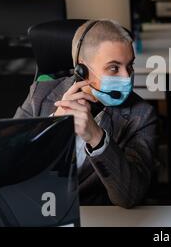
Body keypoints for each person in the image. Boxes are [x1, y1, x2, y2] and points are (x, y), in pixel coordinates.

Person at [15, 20, 158, 208]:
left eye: (129, 66)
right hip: (37, 208)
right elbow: (8, 164)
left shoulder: (141, 114)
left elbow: (131, 196)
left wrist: (97, 138)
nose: (126, 77)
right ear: (82, 69)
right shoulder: (40, 95)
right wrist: (53, 129)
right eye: (114, 68)